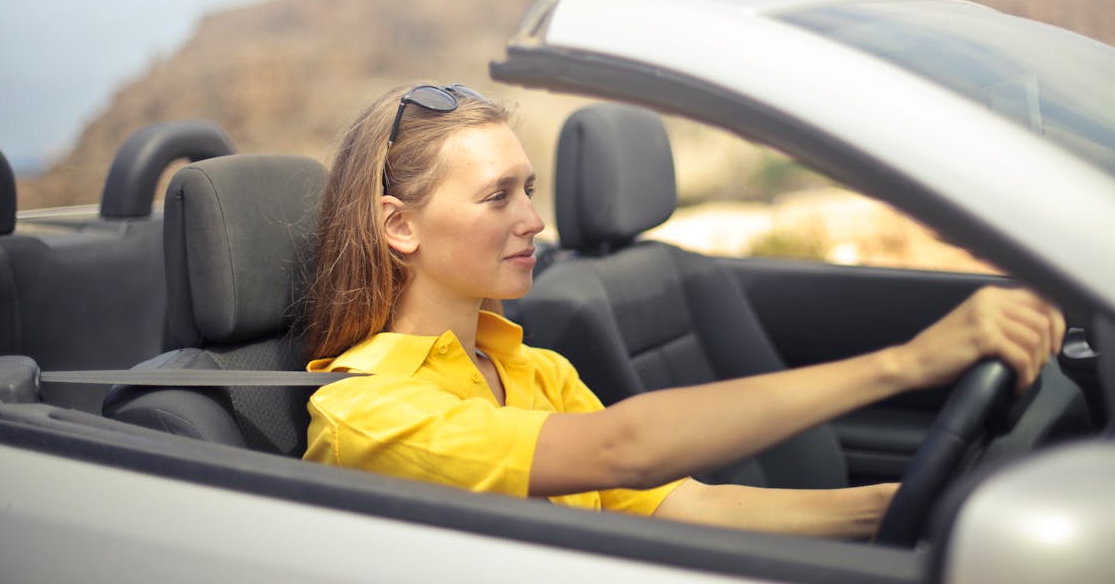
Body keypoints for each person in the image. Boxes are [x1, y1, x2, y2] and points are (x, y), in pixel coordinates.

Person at [302, 83, 1065, 538]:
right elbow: (618, 450)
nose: (533, 219)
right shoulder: (368, 412)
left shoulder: (532, 369)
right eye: (497, 196)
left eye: (528, 189)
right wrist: (905, 364)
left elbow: (683, 506)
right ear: (398, 224)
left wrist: (910, 506)